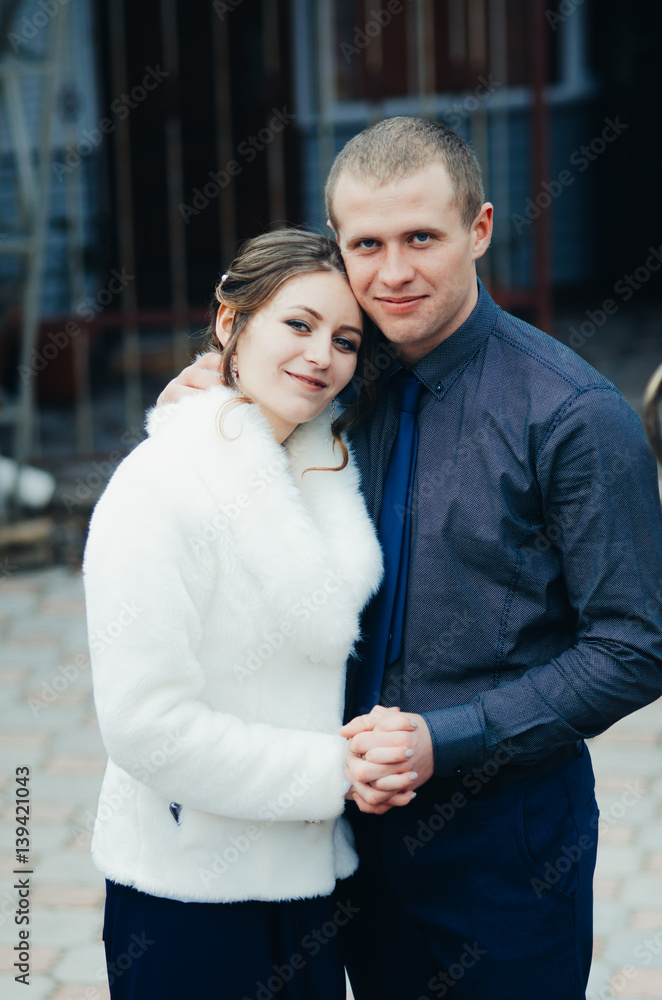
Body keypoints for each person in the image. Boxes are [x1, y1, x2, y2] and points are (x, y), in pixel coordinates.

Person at [157, 118, 662, 1000]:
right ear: (338, 242)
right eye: (367, 244)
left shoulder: (574, 416)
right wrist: (205, 405)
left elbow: (634, 645)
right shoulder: (323, 382)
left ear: (480, 228)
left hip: (507, 850)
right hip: (342, 838)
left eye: (421, 238)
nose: (393, 272)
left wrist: (445, 738)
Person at [83, 228, 419, 1000]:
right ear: (231, 322)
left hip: (307, 892)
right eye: (298, 324)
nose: (320, 356)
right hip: (187, 899)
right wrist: (336, 771)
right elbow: (145, 726)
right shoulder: (159, 487)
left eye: (345, 340)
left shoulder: (322, 468)